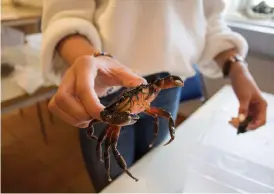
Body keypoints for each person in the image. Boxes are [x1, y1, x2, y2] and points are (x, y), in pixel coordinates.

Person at [41, 0, 267, 192]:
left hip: (165, 83)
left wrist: (237, 68)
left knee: (158, 169)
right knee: (113, 177)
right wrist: (91, 60)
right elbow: (65, 15)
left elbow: (209, 18)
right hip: (107, 86)